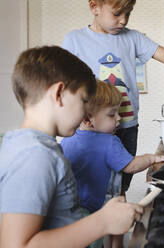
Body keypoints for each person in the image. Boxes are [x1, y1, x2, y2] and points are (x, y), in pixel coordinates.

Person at [0, 46, 144, 248]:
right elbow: (16, 245)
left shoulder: (27, 146)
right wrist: (102, 222)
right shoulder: (35, 156)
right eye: (84, 100)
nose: (86, 111)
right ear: (58, 93)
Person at [61, 0, 164, 197]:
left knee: (120, 185)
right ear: (95, 7)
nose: (123, 20)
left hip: (126, 126)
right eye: (117, 14)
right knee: (88, 185)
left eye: (128, 14)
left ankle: (118, 215)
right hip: (88, 128)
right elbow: (62, 81)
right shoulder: (75, 40)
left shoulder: (133, 38)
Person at [61, 80, 164, 247]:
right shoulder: (110, 141)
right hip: (102, 207)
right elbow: (131, 166)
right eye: (112, 115)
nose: (119, 119)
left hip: (73, 210)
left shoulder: (67, 140)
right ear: (87, 119)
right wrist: (152, 158)